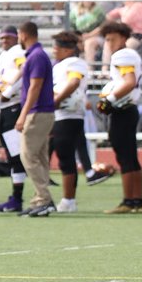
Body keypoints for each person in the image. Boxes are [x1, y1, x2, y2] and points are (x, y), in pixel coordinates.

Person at [98, 22, 142, 213]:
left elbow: (129, 82)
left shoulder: (123, 55)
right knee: (131, 157)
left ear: (124, 38)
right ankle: (138, 201)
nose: (109, 43)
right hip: (129, 109)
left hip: (123, 109)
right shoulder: (129, 55)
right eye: (107, 40)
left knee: (125, 156)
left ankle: (128, 201)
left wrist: (109, 100)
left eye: (113, 39)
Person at [14, 22, 57, 218]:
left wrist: (23, 114)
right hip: (42, 112)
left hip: (37, 112)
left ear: (23, 35)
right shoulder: (37, 55)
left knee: (28, 156)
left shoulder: (36, 56)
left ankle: (43, 198)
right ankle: (41, 199)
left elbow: (35, 87)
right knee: (39, 157)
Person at [50, 32, 94, 213]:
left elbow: (74, 82)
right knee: (62, 155)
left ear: (67, 50)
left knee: (66, 157)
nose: (54, 51)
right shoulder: (61, 65)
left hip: (69, 115)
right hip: (61, 115)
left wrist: (57, 99)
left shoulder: (74, 63)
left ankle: (69, 200)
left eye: (57, 48)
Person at [0, 26, 29, 213]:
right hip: (6, 109)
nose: (4, 41)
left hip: (14, 107)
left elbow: (24, 69)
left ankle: (17, 198)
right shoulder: (4, 55)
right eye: (1, 38)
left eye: (7, 37)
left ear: (16, 38)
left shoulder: (17, 52)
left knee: (16, 156)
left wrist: (9, 92)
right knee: (13, 155)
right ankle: (16, 197)